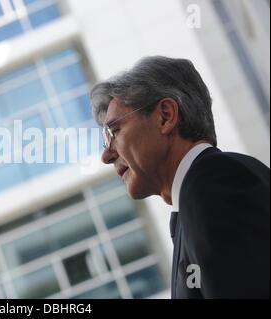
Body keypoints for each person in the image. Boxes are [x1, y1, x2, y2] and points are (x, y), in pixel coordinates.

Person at [90, 56, 270, 298]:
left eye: (114, 131)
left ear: (165, 116)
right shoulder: (198, 195)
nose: (106, 155)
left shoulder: (213, 183)